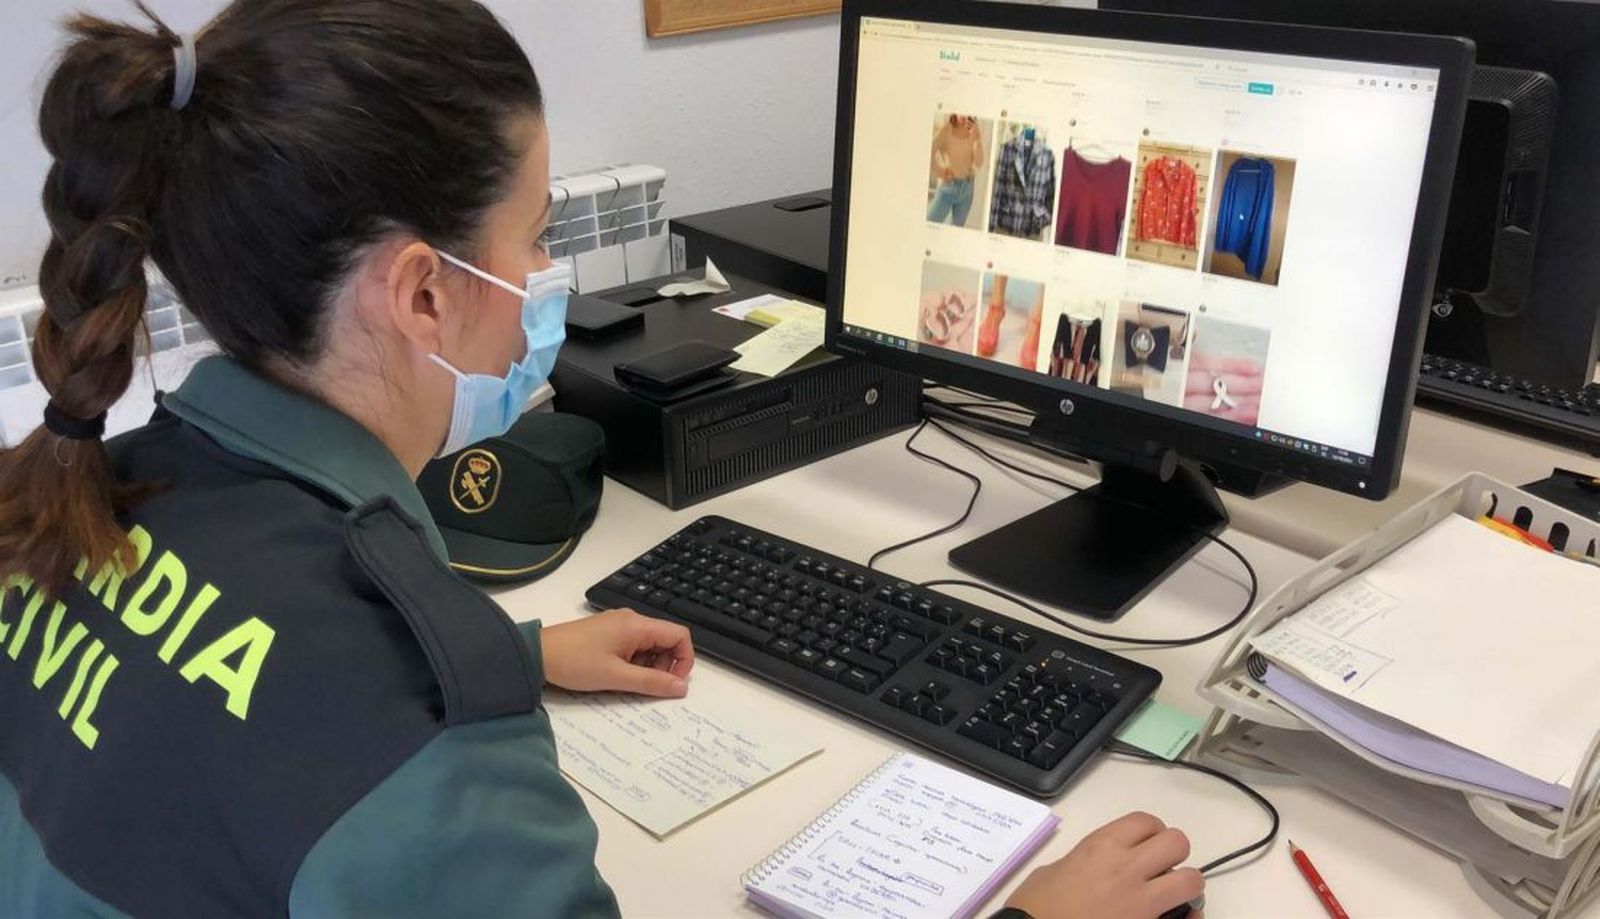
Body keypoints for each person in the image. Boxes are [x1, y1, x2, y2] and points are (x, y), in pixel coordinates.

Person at [0, 3, 1204, 917]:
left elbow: (236, 711)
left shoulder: (93, 490)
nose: (542, 282)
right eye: (530, 238)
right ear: (423, 292)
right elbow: (346, 741)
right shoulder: (425, 757)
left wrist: (514, 653)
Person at [928, 114, 986, 227]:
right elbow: (929, 152)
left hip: (967, 189)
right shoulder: (946, 130)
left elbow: (979, 163)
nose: (964, 115)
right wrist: (940, 172)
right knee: (930, 224)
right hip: (948, 187)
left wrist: (977, 138)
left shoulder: (973, 131)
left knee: (956, 229)